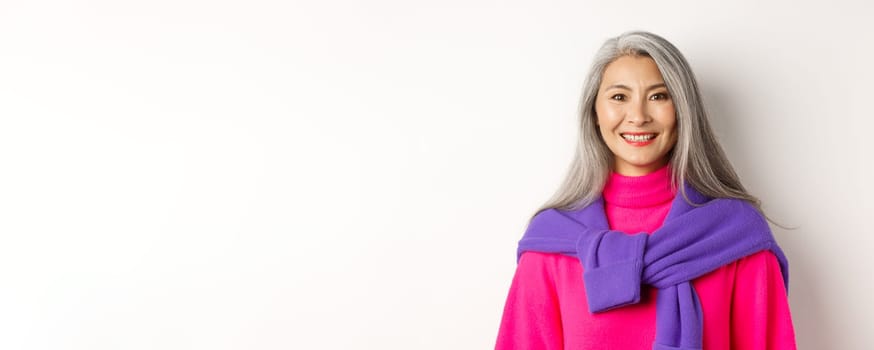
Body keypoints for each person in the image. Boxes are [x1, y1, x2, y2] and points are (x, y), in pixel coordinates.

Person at [494, 31, 797, 350]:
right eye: (619, 97)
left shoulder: (736, 236)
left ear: (683, 111)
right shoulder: (551, 242)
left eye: (658, 96)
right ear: (595, 114)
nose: (638, 117)